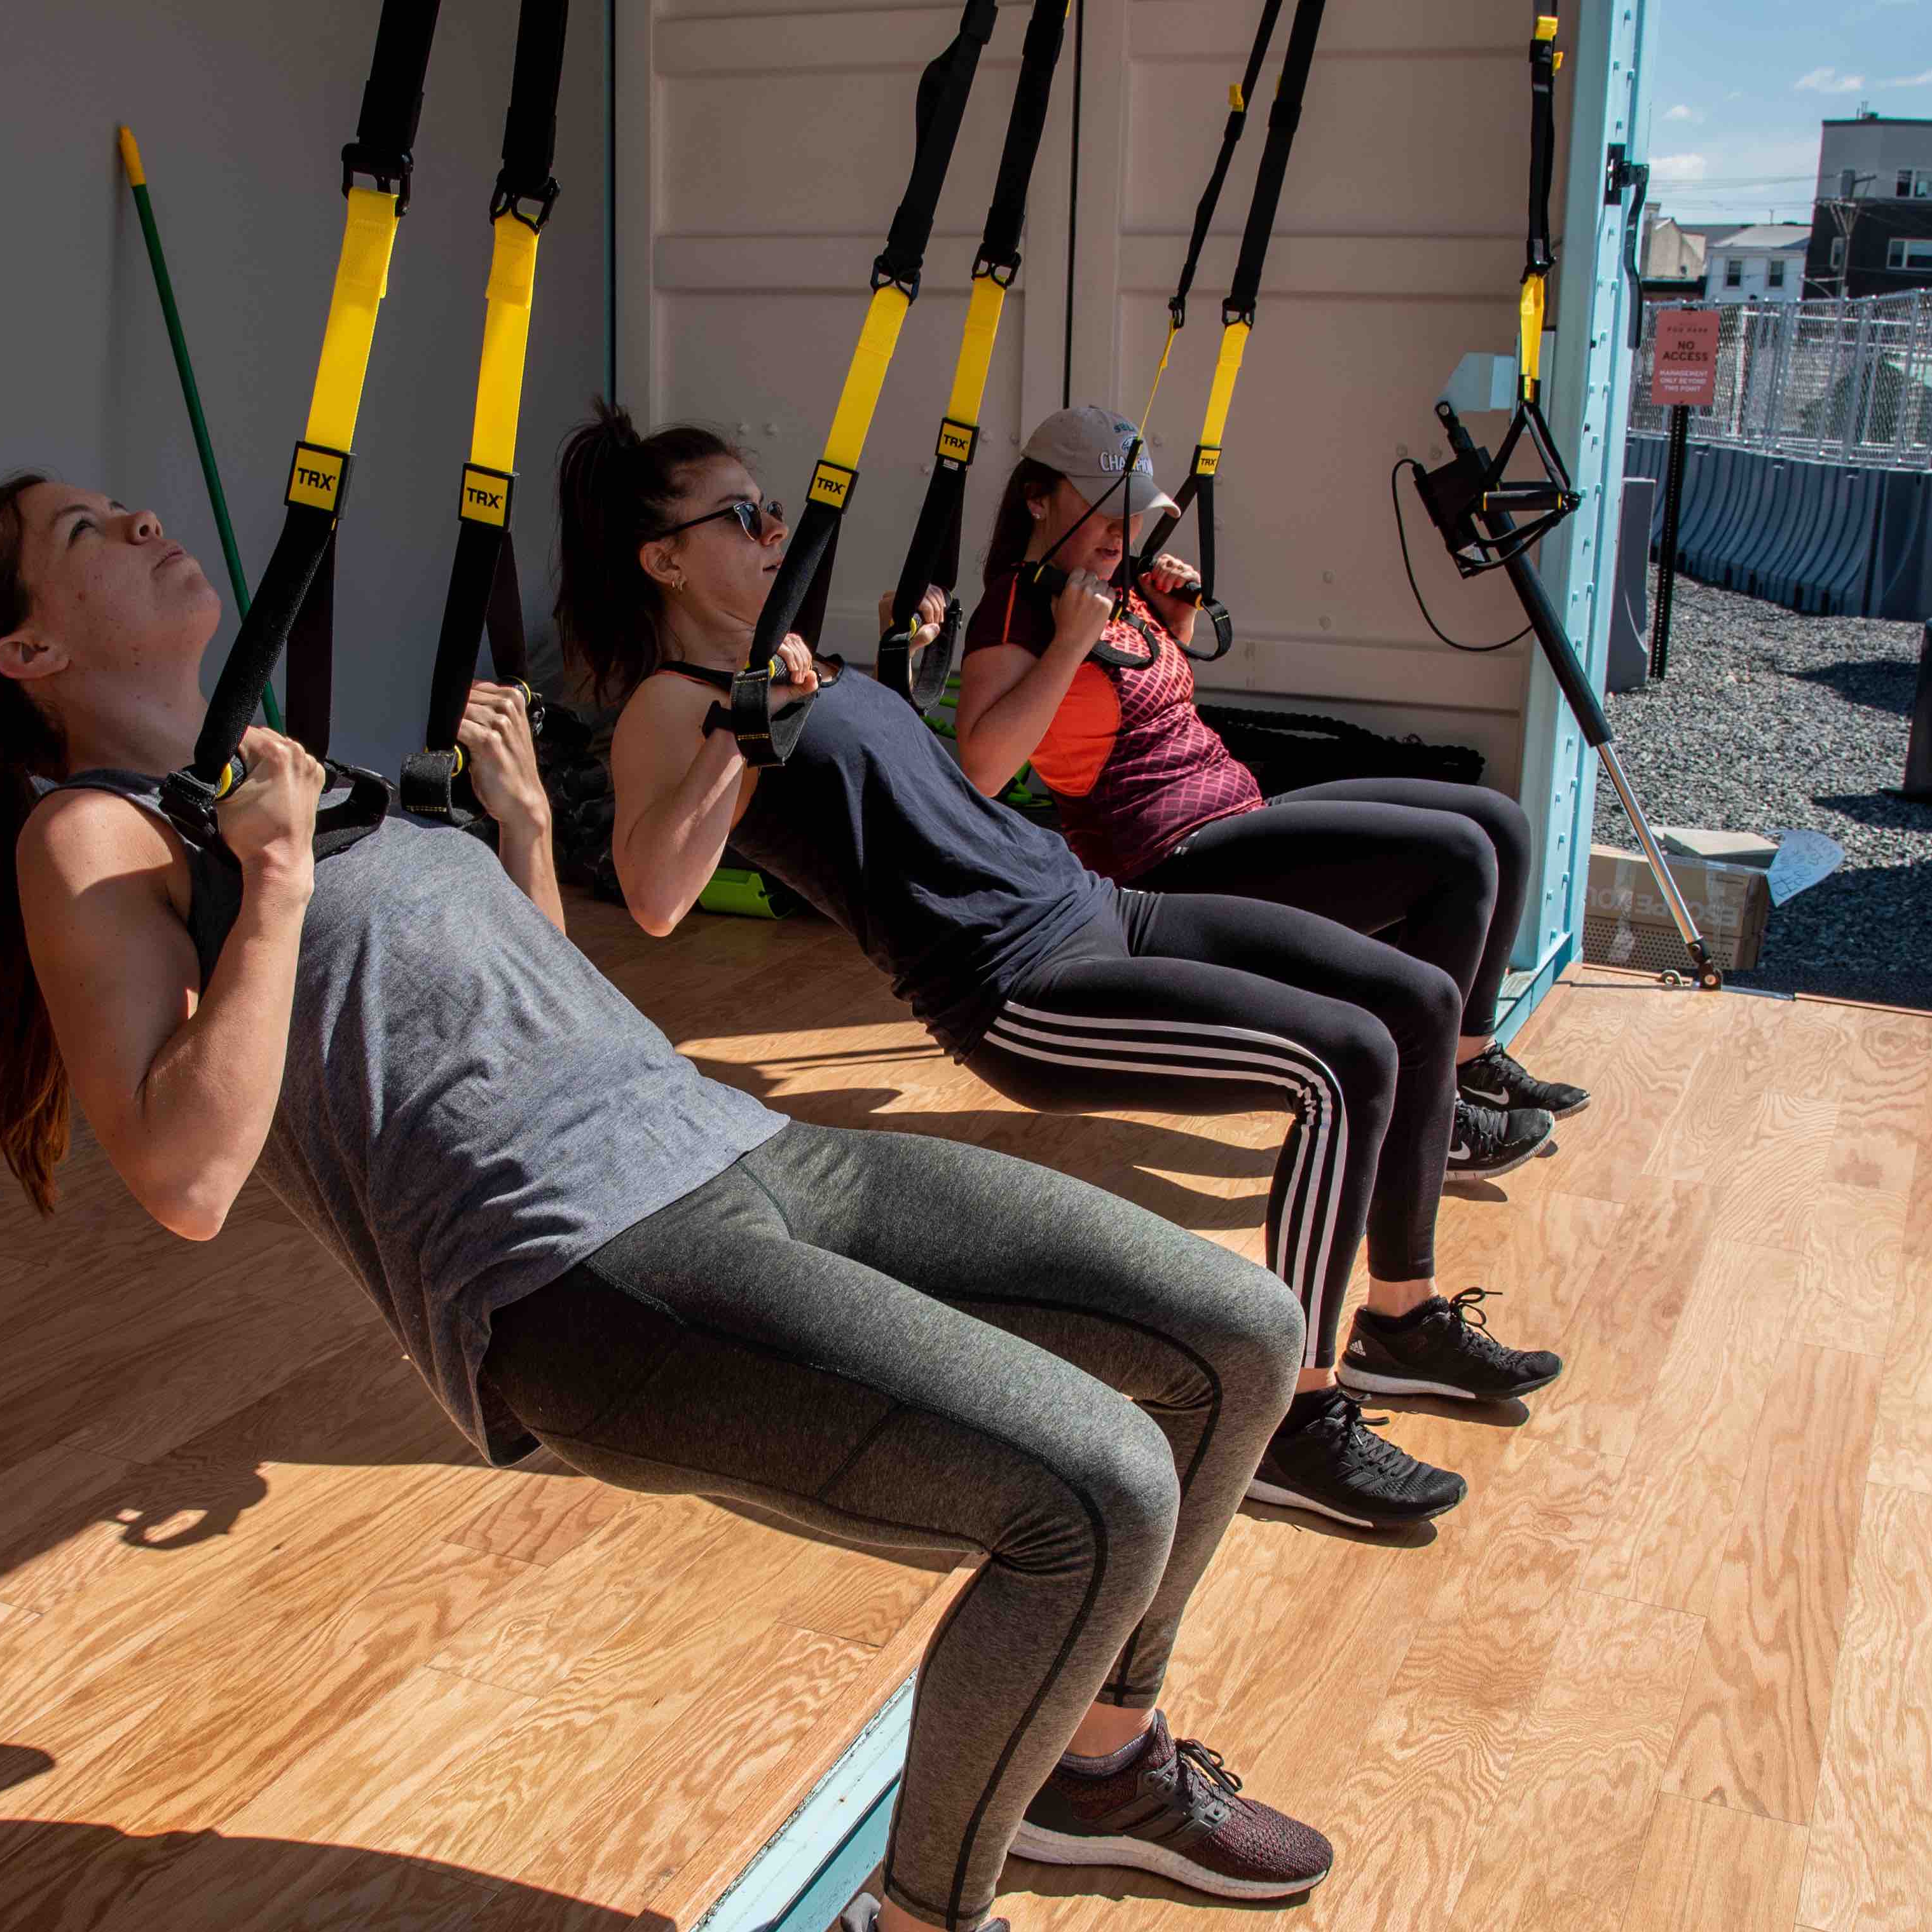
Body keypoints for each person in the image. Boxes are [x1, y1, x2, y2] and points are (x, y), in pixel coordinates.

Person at [0, 470, 1334, 1932]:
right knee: (1092, 1489)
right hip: (578, 1271)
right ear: (26, 645)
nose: (146, 523)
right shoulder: (93, 831)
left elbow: (518, 995)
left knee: (1232, 1330)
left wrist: (513, 827)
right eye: (91, 533)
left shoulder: (268, 777)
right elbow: (183, 1171)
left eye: (130, 507)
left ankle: (1097, 1755)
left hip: (733, 1145)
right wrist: (277, 881)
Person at [565, 406, 1562, 1532]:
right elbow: (652, 898)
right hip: (1020, 983)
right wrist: (743, 733)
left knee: (1417, 1000)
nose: (773, 531)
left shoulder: (785, 661)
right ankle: (1287, 1422)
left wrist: (903, 668)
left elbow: (921, 795)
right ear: (663, 558)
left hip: (1099, 905)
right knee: (1343, 1062)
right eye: (743, 516)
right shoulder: (674, 701)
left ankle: (1400, 1314)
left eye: (773, 509)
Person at [953, 404, 1594, 1127]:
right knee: (1458, 858)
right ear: (1037, 499)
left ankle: (1468, 1062)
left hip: (1234, 815)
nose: (1119, 531)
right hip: (1165, 862)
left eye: (1129, 514)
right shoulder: (1017, 606)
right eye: (1101, 511)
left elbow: (1134, 708)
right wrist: (1070, 643)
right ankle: (1425, 1116)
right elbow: (981, 770)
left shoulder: (1107, 580)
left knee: (1498, 822)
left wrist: (1174, 623)